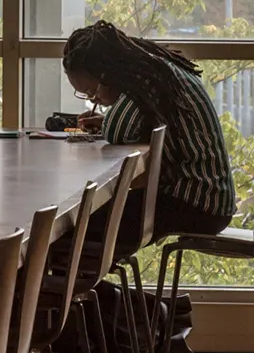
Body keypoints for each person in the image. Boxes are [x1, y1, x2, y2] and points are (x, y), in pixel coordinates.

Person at [62, 20, 236, 254]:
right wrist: (107, 120)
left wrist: (109, 122)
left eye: (93, 91)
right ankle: (98, 289)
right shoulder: (154, 70)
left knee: (79, 229)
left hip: (197, 201)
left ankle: (92, 289)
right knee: (95, 222)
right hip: (208, 197)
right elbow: (125, 124)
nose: (93, 101)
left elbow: (117, 130)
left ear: (107, 74)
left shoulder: (147, 81)